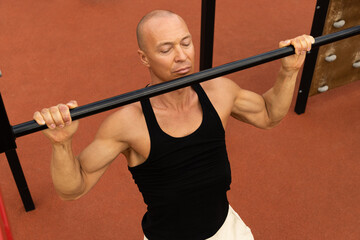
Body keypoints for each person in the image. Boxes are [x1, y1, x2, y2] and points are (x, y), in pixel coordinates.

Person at [33, 10, 314, 240]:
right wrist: (61, 144)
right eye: (166, 49)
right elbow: (73, 189)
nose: (182, 56)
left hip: (227, 231)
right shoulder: (129, 124)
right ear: (144, 58)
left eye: (186, 42)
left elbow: (268, 114)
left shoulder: (218, 93)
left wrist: (288, 71)